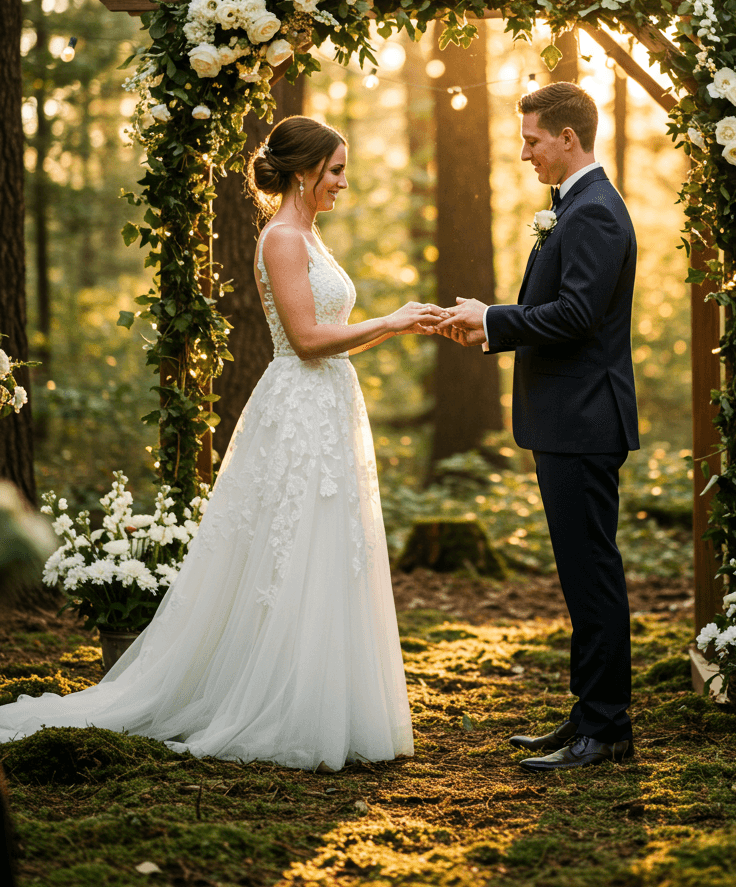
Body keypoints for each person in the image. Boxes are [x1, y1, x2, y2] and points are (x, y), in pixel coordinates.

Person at [0, 115, 444, 772]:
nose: (344, 183)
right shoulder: (283, 239)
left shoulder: (311, 237)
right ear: (303, 172)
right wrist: (394, 322)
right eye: (336, 171)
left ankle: (330, 700)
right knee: (294, 547)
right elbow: (306, 340)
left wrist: (396, 327)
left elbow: (332, 330)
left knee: (330, 545)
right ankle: (281, 703)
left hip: (327, 404)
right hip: (297, 405)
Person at [437, 81, 639, 772]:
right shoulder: (575, 207)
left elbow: (577, 316)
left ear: (568, 139)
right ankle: (588, 714)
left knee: (592, 576)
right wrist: (492, 320)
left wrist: (494, 319)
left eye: (531, 141)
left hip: (584, 421)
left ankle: (607, 728)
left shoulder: (594, 214)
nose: (524, 153)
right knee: (580, 575)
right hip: (567, 420)